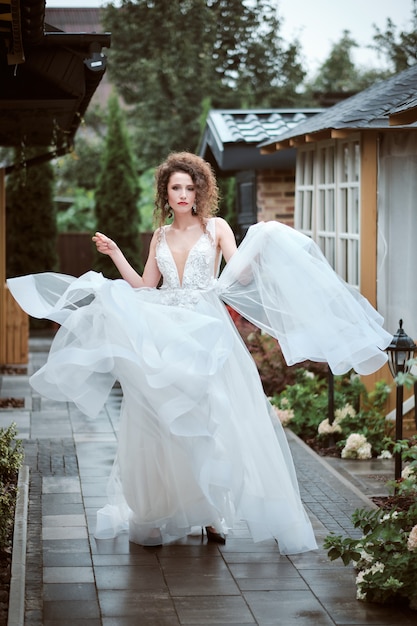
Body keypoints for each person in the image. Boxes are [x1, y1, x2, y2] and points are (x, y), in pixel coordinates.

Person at [7, 151, 392, 551]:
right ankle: (163, 510)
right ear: (166, 192)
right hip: (166, 333)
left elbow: (238, 274)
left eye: (191, 187)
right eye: (176, 187)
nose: (184, 194)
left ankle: (212, 515)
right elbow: (144, 288)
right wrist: (115, 253)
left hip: (208, 334)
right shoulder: (160, 235)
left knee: (213, 423)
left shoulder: (217, 228)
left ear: (201, 190)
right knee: (165, 425)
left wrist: (263, 240)